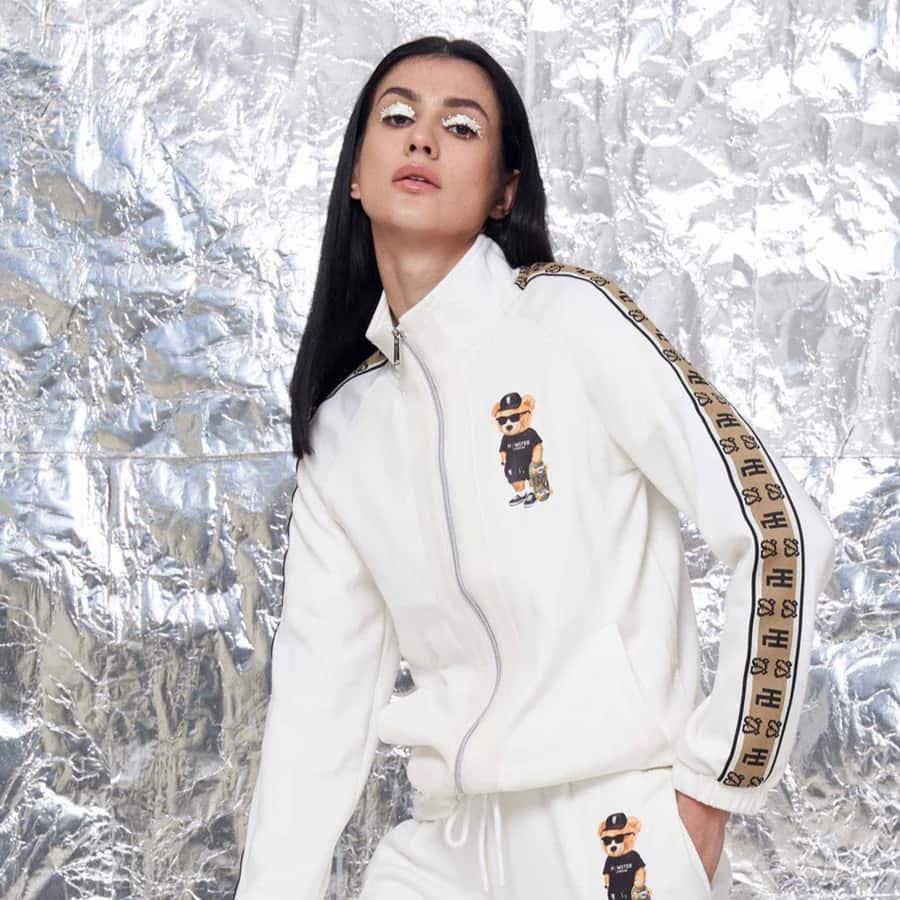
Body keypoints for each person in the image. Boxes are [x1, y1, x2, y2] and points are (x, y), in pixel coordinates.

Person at [232, 34, 836, 900]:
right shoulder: (347, 427)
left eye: (461, 127)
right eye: (396, 117)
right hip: (444, 846)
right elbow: (316, 710)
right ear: (355, 175)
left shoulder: (571, 320)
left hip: (611, 834)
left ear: (504, 191)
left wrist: (714, 788)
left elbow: (781, 530)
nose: (422, 137)